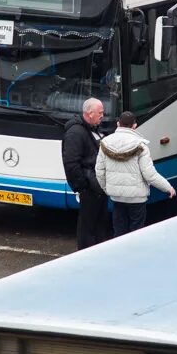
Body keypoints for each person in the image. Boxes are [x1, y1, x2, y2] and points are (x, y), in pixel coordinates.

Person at [95, 111, 175, 236]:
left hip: (116, 197)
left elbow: (99, 171)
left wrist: (108, 189)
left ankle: (120, 254)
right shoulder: (140, 146)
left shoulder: (105, 143)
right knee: (137, 234)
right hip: (137, 199)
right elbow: (149, 174)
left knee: (119, 233)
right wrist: (167, 187)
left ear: (118, 124)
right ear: (134, 126)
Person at [61, 97, 109, 250]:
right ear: (89, 113)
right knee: (88, 227)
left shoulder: (91, 129)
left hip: (96, 186)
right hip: (89, 188)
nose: (103, 115)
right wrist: (82, 186)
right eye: (100, 113)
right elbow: (71, 163)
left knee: (98, 224)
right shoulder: (76, 133)